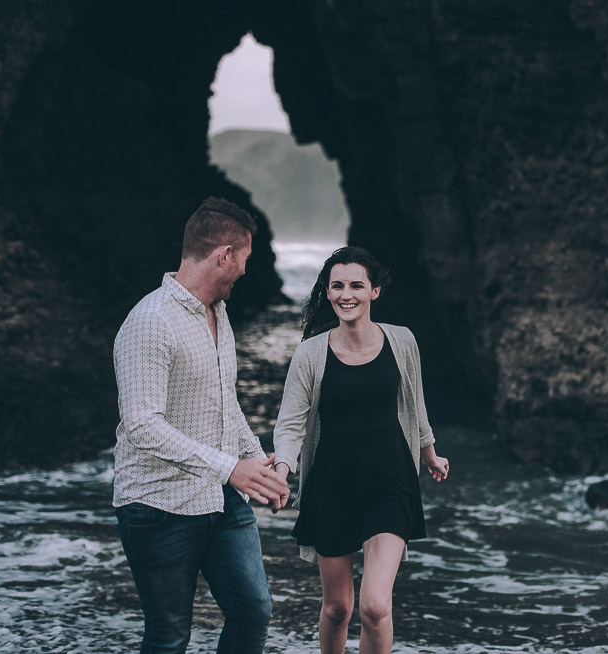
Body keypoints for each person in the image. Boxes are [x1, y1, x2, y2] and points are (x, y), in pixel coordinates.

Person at [112, 196, 290, 654]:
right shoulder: (150, 322)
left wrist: (254, 459)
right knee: (170, 634)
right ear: (224, 255)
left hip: (221, 501)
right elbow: (142, 426)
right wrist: (230, 467)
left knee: (254, 612)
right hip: (158, 505)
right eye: (245, 259)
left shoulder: (220, 314)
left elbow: (224, 401)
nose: (247, 271)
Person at [272, 246, 450, 654]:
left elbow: (414, 404)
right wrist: (282, 469)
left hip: (391, 483)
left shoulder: (401, 341)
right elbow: (291, 423)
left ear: (375, 291)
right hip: (331, 487)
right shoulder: (310, 354)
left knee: (374, 607)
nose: (345, 294)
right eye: (337, 286)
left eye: (356, 285)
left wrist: (429, 452)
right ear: (328, 292)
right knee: (338, 608)